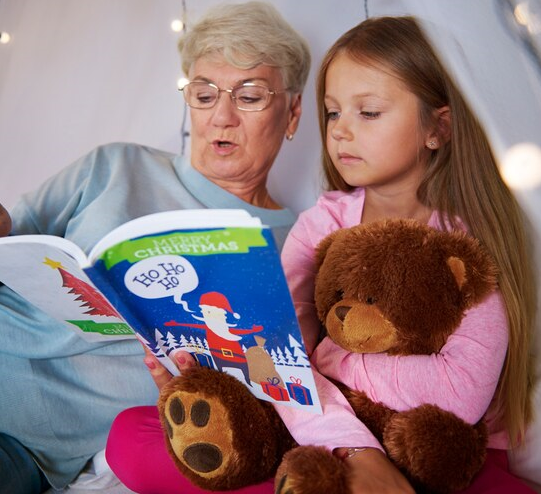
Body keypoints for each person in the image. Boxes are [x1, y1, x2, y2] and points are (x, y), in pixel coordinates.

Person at [0, 2, 312, 493]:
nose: (221, 115)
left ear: (292, 112)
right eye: (204, 93)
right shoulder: (115, 165)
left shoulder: (297, 252)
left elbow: (270, 398)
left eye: (249, 95)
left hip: (19, 440)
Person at [107, 13, 538, 494]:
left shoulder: (468, 244)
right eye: (333, 112)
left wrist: (335, 360)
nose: (340, 132)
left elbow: (460, 393)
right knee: (130, 435)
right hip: (326, 427)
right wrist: (224, 369)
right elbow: (280, 359)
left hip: (437, 446)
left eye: (368, 112)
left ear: (437, 127)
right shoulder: (322, 225)